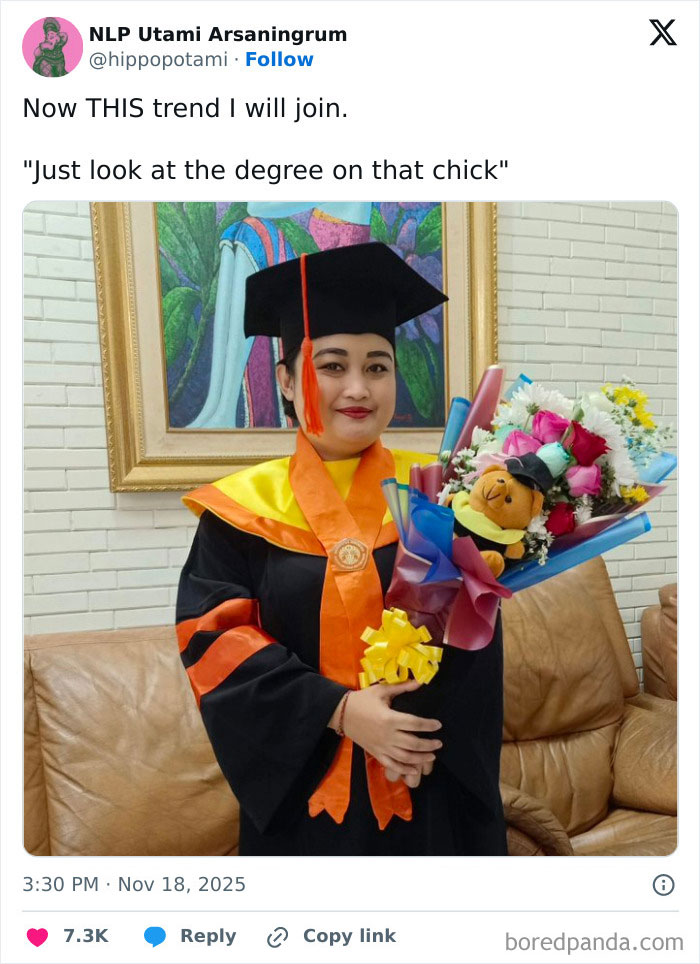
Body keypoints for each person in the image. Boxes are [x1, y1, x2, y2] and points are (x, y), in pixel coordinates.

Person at [176, 242, 507, 856]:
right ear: (285, 381)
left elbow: (478, 642)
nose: (358, 387)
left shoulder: (442, 494)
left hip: (431, 789)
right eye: (331, 365)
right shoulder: (239, 511)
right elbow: (214, 641)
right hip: (301, 805)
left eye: (377, 366)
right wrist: (339, 711)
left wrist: (417, 742)